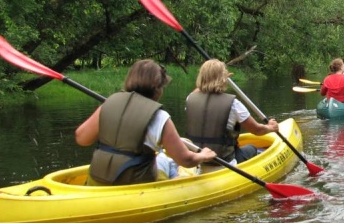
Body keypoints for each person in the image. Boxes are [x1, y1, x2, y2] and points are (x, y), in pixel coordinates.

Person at [75, 59, 216, 186]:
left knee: (164, 155)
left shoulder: (108, 104)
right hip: (136, 185)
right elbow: (186, 160)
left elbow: (82, 139)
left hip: (97, 181)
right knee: (172, 162)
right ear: (157, 88)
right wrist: (203, 155)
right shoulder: (159, 116)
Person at [185, 59, 279, 165]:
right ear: (223, 79)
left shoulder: (190, 99)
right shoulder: (233, 104)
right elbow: (257, 130)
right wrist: (271, 127)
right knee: (251, 148)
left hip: (197, 160)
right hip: (225, 163)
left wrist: (208, 79)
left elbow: (199, 90)